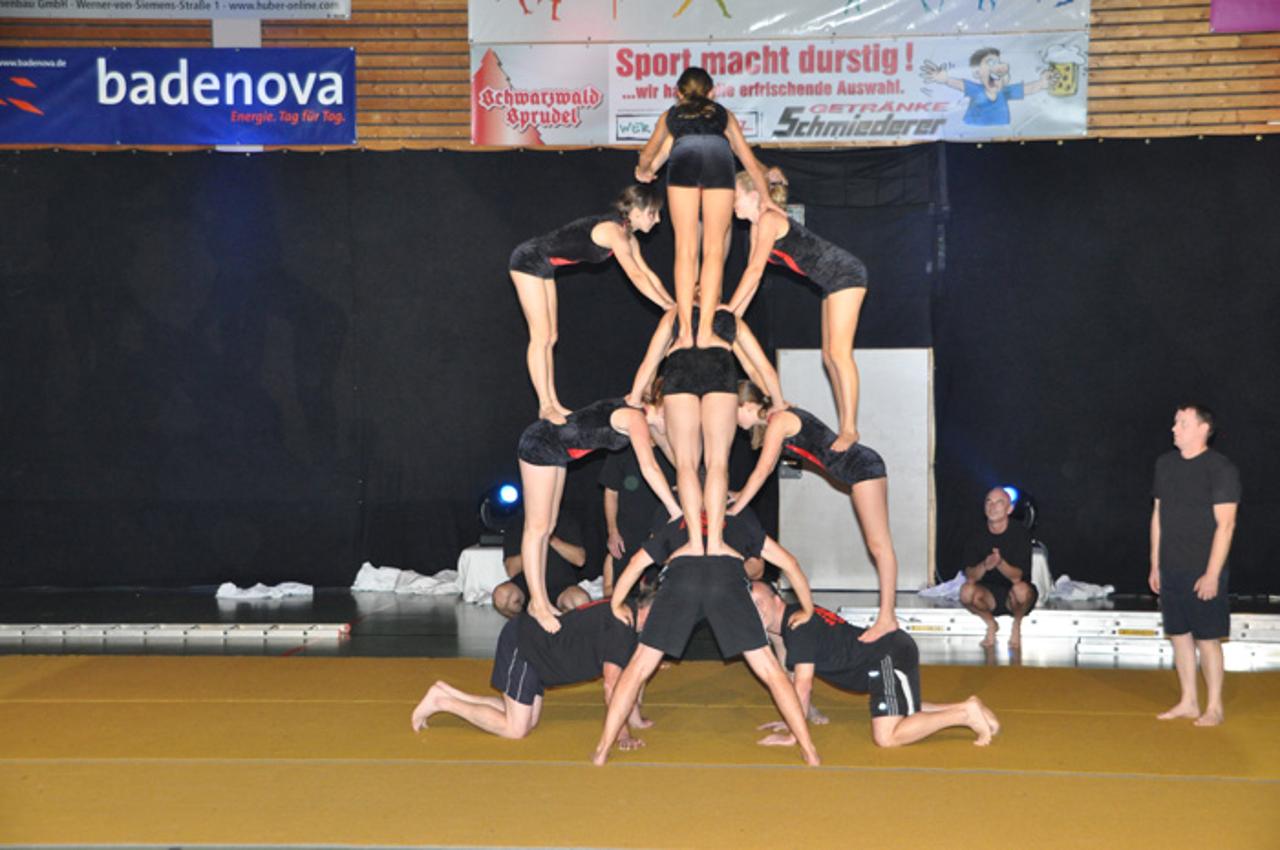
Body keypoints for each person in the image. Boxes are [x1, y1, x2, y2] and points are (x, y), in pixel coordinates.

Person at [591, 506, 821, 767]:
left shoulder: (679, 525)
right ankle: (809, 749)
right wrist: (807, 607)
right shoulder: (736, 523)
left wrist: (616, 602)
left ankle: (602, 749)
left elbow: (636, 563)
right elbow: (789, 563)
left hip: (683, 578)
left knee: (638, 667)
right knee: (770, 669)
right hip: (726, 578)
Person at [732, 381, 900, 643]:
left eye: (732, 412)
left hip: (860, 468)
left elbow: (763, 470)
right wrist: (739, 495)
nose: (731, 421)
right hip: (858, 468)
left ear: (746, 405)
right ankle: (887, 616)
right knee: (878, 545)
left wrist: (736, 509)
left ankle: (887, 618)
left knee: (879, 545)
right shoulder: (777, 416)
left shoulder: (779, 421)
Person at [749, 581, 1000, 747]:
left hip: (885, 656)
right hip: (885, 652)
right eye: (749, 607)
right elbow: (788, 672)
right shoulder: (787, 620)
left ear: (777, 600)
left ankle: (964, 715)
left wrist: (795, 734)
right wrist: (795, 715)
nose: (755, 611)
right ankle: (968, 707)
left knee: (887, 737)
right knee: (904, 710)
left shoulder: (798, 627)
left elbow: (803, 685)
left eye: (759, 603)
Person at [726, 168, 868, 451]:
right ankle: (844, 426)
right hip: (829, 281)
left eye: (735, 196)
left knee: (839, 353)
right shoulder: (756, 227)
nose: (731, 203)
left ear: (754, 195)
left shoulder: (768, 219)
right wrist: (735, 316)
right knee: (828, 356)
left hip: (845, 274)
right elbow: (754, 278)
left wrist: (729, 310)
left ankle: (850, 429)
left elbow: (754, 272)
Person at [626, 307, 785, 560]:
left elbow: (650, 363)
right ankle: (714, 542)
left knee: (686, 465)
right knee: (717, 464)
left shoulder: (676, 315)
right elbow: (761, 369)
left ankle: (695, 543)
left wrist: (636, 398)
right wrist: (777, 402)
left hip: (680, 372)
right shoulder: (727, 318)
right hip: (719, 370)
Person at [634, 67, 774, 352]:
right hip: (718, 159)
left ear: (678, 93)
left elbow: (648, 153)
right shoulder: (723, 115)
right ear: (712, 92)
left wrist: (643, 170)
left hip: (684, 158)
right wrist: (766, 198)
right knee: (713, 250)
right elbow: (748, 160)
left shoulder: (671, 115)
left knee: (685, 249)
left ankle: (686, 332)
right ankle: (706, 331)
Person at [509, 184, 672, 424]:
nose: (657, 220)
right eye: (652, 213)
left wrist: (672, 304)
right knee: (541, 336)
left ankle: (553, 403)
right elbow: (636, 276)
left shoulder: (629, 238)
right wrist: (666, 306)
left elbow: (648, 275)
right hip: (528, 260)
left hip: (545, 266)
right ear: (636, 212)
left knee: (551, 337)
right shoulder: (613, 232)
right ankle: (545, 406)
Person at [517, 396, 681, 634]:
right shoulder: (635, 417)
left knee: (548, 526)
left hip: (560, 451)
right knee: (537, 528)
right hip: (540, 444)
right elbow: (649, 468)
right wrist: (675, 510)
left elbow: (671, 453)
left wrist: (694, 482)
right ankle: (537, 603)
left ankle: (540, 601)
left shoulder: (649, 419)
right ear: (662, 409)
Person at [410, 590, 657, 746]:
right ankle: (442, 703)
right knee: (516, 729)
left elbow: (629, 680)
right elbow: (613, 686)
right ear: (649, 612)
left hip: (541, 652)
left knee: (526, 720)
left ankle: (446, 692)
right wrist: (622, 733)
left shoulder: (629, 612)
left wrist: (636, 720)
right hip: (525, 645)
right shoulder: (621, 629)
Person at [1150, 404, 1240, 727]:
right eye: (1175, 422)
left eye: (1183, 423)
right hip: (1170, 565)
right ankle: (1189, 700)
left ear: (1203, 429)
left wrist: (1212, 574)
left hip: (1203, 568)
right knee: (1179, 635)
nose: (1174, 428)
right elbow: (1157, 516)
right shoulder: (1165, 464)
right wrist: (1155, 564)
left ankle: (1214, 706)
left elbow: (1226, 525)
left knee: (1207, 639)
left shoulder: (1221, 468)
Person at [959, 487, 1038, 649]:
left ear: (1009, 509)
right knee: (966, 591)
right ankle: (991, 624)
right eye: (989, 502)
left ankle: (1016, 625)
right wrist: (985, 565)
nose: (992, 506)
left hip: (1013, 594)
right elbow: (970, 576)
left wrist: (1000, 563)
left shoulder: (1020, 533)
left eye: (999, 502)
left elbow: (1017, 577)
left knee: (1021, 590)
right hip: (987, 594)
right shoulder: (975, 533)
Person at [599, 446, 676, 597]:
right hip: (628, 534)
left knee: (658, 594)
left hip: (661, 533)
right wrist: (612, 531)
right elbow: (611, 492)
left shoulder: (670, 447)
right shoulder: (621, 449)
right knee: (622, 593)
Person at [492, 512, 589, 618]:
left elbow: (580, 560)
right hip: (525, 586)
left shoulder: (565, 520)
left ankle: (561, 624)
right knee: (501, 597)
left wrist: (549, 539)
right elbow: (511, 570)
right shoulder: (517, 522)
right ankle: (523, 622)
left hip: (561, 586)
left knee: (580, 600)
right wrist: (534, 543)